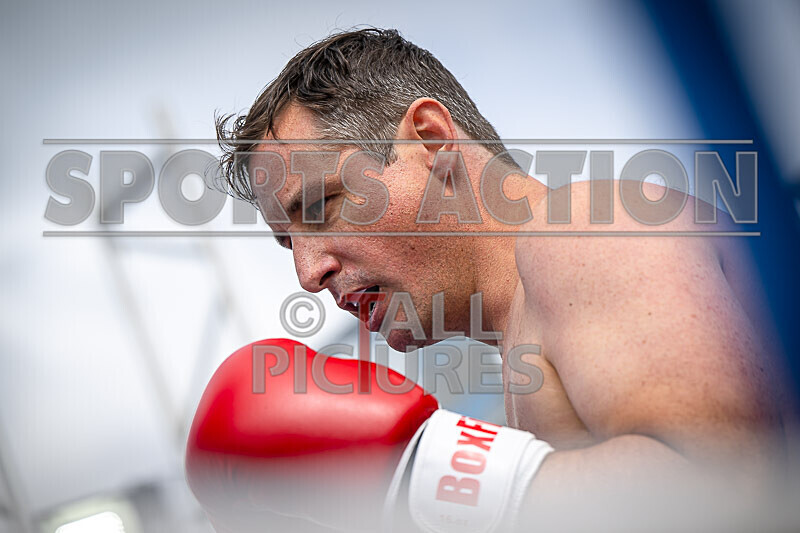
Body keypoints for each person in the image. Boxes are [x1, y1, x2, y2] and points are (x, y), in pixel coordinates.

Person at [188, 28, 795, 532]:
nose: (307, 272)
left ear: (431, 140)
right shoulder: (527, 349)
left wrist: (415, 473)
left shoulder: (581, 229)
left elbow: (728, 486)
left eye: (321, 205)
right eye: (289, 241)